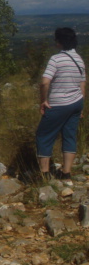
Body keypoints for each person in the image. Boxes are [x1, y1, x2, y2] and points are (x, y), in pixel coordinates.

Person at [36, 27, 86, 181]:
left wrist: (43, 100)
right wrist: (81, 105)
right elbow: (83, 83)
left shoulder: (55, 59)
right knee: (69, 136)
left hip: (58, 104)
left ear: (59, 42)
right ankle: (66, 174)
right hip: (76, 103)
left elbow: (44, 82)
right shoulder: (79, 59)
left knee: (43, 135)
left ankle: (44, 175)